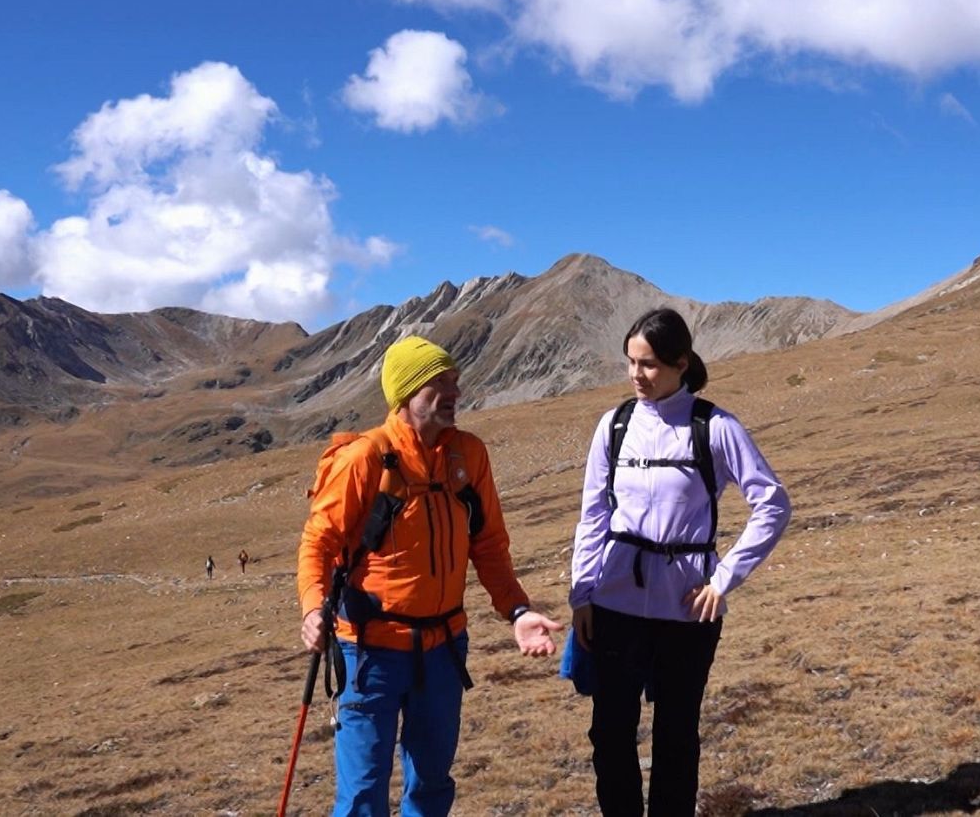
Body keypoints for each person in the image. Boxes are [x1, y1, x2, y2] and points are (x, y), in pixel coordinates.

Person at [298, 335, 562, 817]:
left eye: (455, 381)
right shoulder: (364, 459)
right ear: (405, 394)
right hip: (367, 652)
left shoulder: (469, 455)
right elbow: (318, 541)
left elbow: (489, 545)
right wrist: (314, 608)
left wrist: (517, 610)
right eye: (438, 383)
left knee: (432, 786)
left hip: (443, 648)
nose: (453, 393)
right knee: (361, 795)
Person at [570, 307, 792, 816]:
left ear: (680, 363)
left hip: (689, 610)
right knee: (609, 733)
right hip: (614, 604)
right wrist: (581, 594)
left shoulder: (714, 427)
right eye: (630, 362)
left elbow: (772, 504)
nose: (636, 375)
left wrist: (724, 579)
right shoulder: (615, 425)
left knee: (675, 736)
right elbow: (593, 514)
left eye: (647, 364)